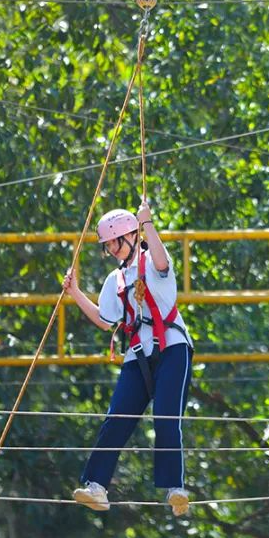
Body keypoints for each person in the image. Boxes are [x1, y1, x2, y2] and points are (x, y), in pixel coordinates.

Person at [62, 201, 193, 516]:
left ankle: (175, 488)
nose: (112, 249)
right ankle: (96, 485)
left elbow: (161, 262)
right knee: (116, 418)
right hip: (138, 355)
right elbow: (107, 320)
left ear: (133, 236)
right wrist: (76, 294)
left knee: (165, 416)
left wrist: (148, 223)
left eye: (116, 242)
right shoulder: (115, 281)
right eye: (108, 245)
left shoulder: (154, 262)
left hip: (173, 347)